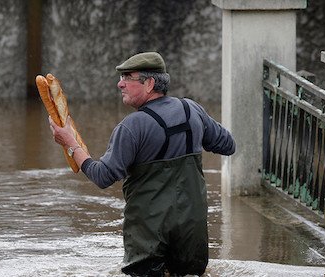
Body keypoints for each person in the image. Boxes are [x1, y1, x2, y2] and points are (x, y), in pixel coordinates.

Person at [49, 52, 235, 276]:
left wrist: (71, 145)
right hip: (191, 235)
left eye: (128, 77)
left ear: (149, 84)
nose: (120, 84)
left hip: (149, 240)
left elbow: (103, 176)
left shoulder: (132, 127)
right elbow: (228, 145)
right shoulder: (191, 110)